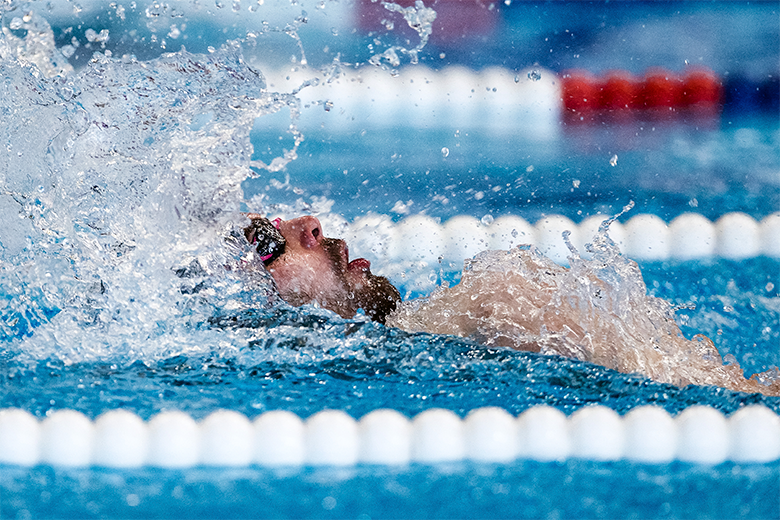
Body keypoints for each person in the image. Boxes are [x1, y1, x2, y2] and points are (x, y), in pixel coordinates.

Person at [244, 213, 780, 396]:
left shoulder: (490, 299)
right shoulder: (452, 325)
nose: (310, 225)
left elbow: (708, 385)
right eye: (273, 241)